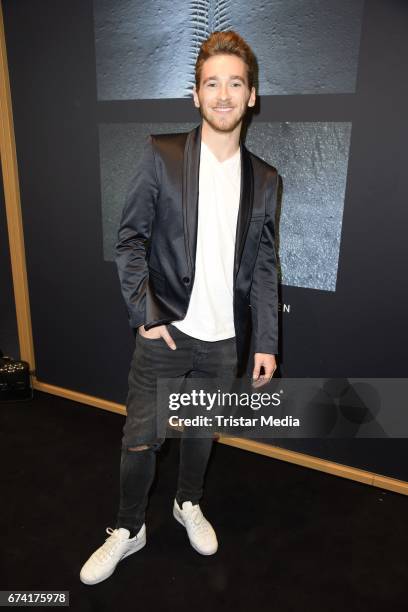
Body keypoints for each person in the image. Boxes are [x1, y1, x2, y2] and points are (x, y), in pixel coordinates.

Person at [80, 30, 279, 585]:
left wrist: (265, 341)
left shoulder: (265, 180)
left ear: (252, 95)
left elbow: (265, 265)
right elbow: (129, 242)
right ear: (195, 95)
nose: (223, 94)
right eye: (211, 83)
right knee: (140, 439)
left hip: (225, 341)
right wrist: (147, 314)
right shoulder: (160, 154)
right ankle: (127, 528)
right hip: (166, 333)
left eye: (234, 83)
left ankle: (187, 503)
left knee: (200, 433)